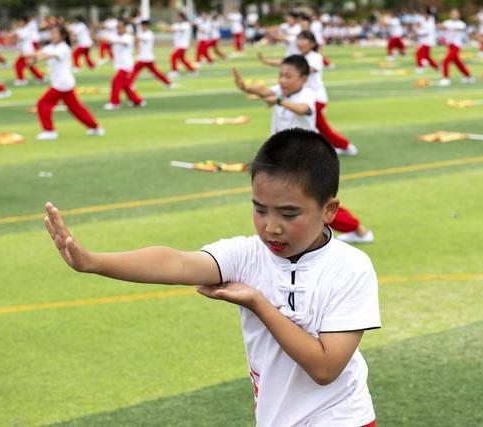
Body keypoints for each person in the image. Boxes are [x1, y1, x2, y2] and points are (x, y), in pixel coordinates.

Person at [44, 127, 381, 427]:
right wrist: (93, 261)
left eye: (289, 213)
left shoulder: (351, 268)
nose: (271, 227)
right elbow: (174, 262)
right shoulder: (248, 254)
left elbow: (325, 368)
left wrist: (258, 304)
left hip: (343, 417)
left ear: (329, 211)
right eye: (260, 209)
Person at [233, 55, 374, 243]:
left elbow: (301, 109)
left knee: (315, 203)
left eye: (288, 76)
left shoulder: (306, 94)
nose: (282, 80)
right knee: (294, 204)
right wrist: (244, 86)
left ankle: (358, 229)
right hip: (286, 160)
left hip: (305, 161)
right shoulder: (280, 93)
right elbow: (263, 91)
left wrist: (278, 100)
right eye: (281, 75)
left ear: (303, 78)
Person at [258, 32, 358, 156]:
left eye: (303, 40)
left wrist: (294, 69)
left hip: (315, 97)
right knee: (313, 127)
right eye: (298, 39)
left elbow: (305, 69)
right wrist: (267, 61)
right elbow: (287, 64)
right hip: (301, 96)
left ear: (311, 44)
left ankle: (345, 145)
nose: (299, 42)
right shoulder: (299, 57)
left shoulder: (315, 57)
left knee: (321, 127)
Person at [31, 25, 104, 140]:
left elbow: (51, 55)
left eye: (55, 33)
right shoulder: (52, 46)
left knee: (43, 104)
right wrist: (31, 56)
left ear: (62, 36)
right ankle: (95, 128)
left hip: (62, 83)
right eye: (51, 33)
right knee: (76, 108)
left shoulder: (63, 47)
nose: (52, 36)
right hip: (64, 83)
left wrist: (37, 59)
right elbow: (41, 52)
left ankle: (49, 131)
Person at [102, 19, 145, 110]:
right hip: (120, 64)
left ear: (125, 28)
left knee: (115, 82)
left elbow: (123, 42)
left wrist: (112, 40)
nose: (118, 29)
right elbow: (107, 39)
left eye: (120, 27)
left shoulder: (127, 37)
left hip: (126, 65)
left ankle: (115, 102)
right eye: (117, 27)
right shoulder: (116, 36)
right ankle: (138, 101)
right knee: (126, 85)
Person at [130, 20, 172, 88]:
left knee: (134, 71)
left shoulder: (149, 34)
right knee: (155, 72)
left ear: (146, 26)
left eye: (143, 26)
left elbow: (141, 39)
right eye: (141, 26)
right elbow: (137, 41)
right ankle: (167, 83)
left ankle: (129, 84)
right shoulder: (141, 33)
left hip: (146, 57)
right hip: (144, 57)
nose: (142, 27)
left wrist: (133, 35)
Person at [438, 8, 475, 86]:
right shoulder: (447, 22)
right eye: (453, 13)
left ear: (459, 15)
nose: (454, 15)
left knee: (446, 60)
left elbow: (459, 29)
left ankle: (446, 78)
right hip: (449, 45)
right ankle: (468, 76)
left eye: (456, 13)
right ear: (450, 14)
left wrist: (447, 27)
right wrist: (440, 26)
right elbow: (441, 27)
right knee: (458, 62)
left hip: (456, 45)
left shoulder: (461, 23)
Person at [13, 16, 45, 86]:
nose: (19, 23)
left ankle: (21, 79)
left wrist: (15, 34)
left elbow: (21, 37)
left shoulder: (27, 29)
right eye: (19, 22)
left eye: (21, 22)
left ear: (24, 22)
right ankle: (40, 77)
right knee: (29, 65)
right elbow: (16, 39)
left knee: (18, 64)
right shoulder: (19, 29)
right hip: (23, 50)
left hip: (27, 50)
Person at [166, 12, 195, 79]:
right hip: (178, 45)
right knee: (182, 60)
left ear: (183, 17)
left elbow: (178, 29)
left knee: (173, 56)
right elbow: (170, 29)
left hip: (183, 45)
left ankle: (174, 72)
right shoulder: (176, 24)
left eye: (179, 17)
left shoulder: (186, 25)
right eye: (177, 17)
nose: (178, 18)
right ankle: (192, 70)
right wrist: (165, 28)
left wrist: (168, 28)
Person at [414, 8, 439, 73]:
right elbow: (418, 24)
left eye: (424, 14)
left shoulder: (431, 22)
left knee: (419, 53)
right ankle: (436, 67)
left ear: (428, 14)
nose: (423, 15)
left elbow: (426, 33)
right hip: (423, 41)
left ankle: (421, 66)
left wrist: (417, 32)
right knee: (427, 56)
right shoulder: (423, 19)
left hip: (429, 41)